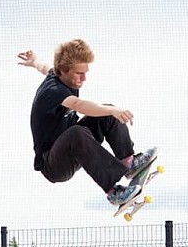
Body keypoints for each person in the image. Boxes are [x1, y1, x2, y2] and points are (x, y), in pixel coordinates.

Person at [18, 39, 157, 207]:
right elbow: (79, 105)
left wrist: (34, 62)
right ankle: (114, 192)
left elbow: (44, 68)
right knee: (82, 128)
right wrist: (113, 111)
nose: (84, 78)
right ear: (63, 71)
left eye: (85, 72)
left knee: (107, 113)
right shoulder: (53, 91)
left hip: (75, 147)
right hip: (53, 163)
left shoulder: (57, 73)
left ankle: (129, 162)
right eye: (79, 73)